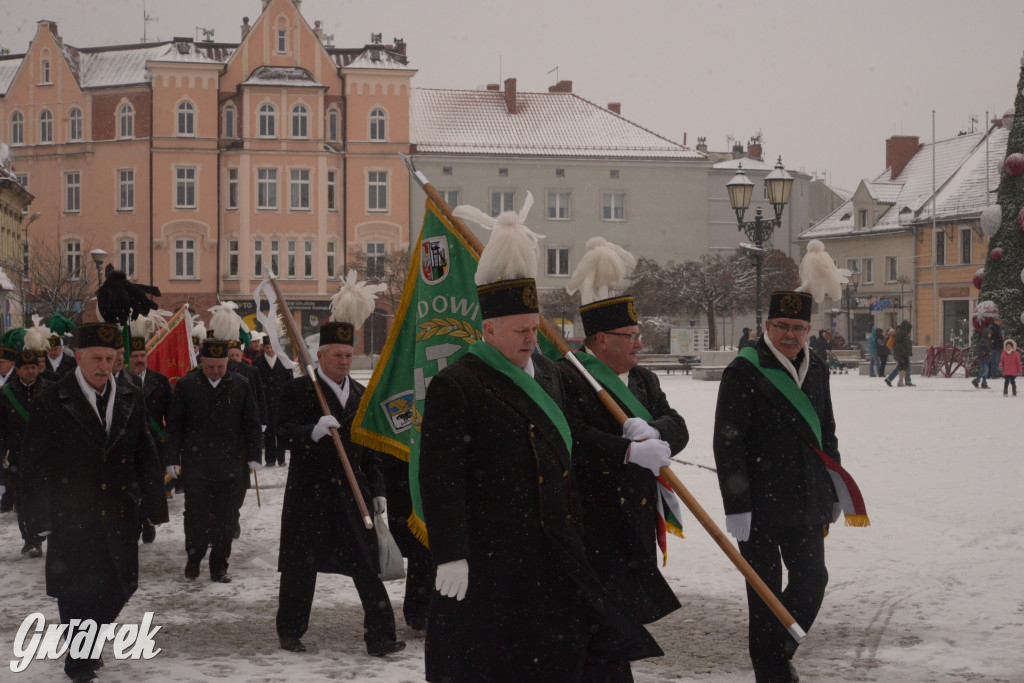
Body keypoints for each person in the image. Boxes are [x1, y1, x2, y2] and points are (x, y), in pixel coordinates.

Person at [419, 197, 659, 682]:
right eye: (518, 331)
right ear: (488, 329)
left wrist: (628, 444)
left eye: (533, 328)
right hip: (493, 554)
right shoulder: (459, 384)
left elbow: (575, 446)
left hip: (555, 549)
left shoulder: (551, 375)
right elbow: (441, 478)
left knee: (562, 658)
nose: (530, 338)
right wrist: (450, 552)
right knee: (495, 662)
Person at [20, 322, 168, 682]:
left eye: (111, 357)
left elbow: (144, 451)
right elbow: (32, 464)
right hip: (72, 513)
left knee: (121, 585)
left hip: (120, 510)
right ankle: (80, 662)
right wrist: (36, 517)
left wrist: (153, 504)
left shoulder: (131, 394)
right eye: (97, 358)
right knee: (76, 592)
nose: (105, 365)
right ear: (78, 357)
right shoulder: (52, 400)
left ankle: (88, 642)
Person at [557, 237, 686, 647]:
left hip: (638, 510)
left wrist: (657, 431)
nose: (638, 342)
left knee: (629, 606)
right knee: (601, 616)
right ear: (598, 341)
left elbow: (678, 424)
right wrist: (626, 451)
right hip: (594, 510)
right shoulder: (568, 376)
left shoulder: (645, 380)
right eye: (628, 335)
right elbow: (572, 436)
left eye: (638, 333)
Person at [713, 288, 843, 683]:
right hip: (758, 507)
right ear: (767, 326)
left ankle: (777, 651)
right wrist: (737, 505)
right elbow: (728, 441)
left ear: (808, 329)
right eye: (782, 326)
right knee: (764, 595)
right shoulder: (745, 370)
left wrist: (835, 484)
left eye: (799, 328)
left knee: (811, 581)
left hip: (806, 498)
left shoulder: (817, 367)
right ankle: (771, 673)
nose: (791, 335)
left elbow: (827, 432)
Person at [275, 272, 405, 657]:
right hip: (309, 494)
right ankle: (290, 630)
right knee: (301, 567)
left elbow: (373, 448)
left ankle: (380, 636)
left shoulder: (362, 396)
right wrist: (311, 431)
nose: (345, 362)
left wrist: (379, 489)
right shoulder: (298, 392)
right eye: (337, 356)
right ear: (319, 357)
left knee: (368, 567)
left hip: (354, 496)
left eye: (349, 356)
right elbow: (280, 434)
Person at [166, 338, 262, 583]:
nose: (217, 371)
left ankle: (219, 566)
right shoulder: (187, 385)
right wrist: (171, 458)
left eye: (221, 366)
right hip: (197, 464)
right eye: (211, 367)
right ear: (202, 363)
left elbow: (251, 423)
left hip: (231, 465)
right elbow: (175, 426)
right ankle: (194, 558)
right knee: (195, 516)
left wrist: (254, 455)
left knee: (226, 518)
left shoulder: (240, 384)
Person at [0, 348, 54, 557]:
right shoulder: (6, 394)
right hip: (19, 456)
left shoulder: (51, 389)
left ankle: (44, 531)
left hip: (47, 455)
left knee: (47, 496)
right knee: (23, 499)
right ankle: (31, 539)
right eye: (26, 368)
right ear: (17, 369)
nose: (31, 371)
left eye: (34, 367)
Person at [128, 323, 173, 543]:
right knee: (133, 486)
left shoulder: (159, 381)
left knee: (151, 486)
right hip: (130, 443)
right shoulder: (122, 381)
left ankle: (149, 521)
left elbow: (170, 416)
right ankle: (135, 522)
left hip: (154, 443)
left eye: (142, 355)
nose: (139, 359)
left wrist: (168, 442)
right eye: (135, 355)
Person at [253, 335, 293, 467]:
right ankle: (270, 460)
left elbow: (290, 382)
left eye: (271, 347)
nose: (270, 350)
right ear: (263, 348)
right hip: (265, 402)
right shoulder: (257, 362)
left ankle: (281, 459)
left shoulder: (284, 361)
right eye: (267, 347)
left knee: (280, 431)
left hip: (281, 403)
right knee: (268, 432)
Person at [885, 320, 915, 387]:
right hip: (903, 354)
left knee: (902, 367)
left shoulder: (901, 333)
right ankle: (902, 382)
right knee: (904, 367)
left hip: (901, 354)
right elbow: (904, 345)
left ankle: (891, 379)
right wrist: (906, 352)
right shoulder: (903, 334)